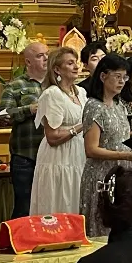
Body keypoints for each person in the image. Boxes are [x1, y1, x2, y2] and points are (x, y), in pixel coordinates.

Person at [80, 54, 132, 236]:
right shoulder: (94, 106)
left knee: (125, 223)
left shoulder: (119, 104)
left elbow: (113, 136)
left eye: (125, 77)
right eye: (117, 77)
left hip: (122, 170)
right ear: (103, 76)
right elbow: (91, 149)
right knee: (103, 226)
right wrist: (127, 155)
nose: (122, 82)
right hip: (102, 174)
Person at [30, 47, 88, 215]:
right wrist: (81, 126)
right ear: (57, 69)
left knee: (76, 200)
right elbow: (52, 137)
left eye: (76, 63)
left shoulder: (81, 92)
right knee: (60, 201)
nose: (76, 67)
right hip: (59, 157)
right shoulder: (53, 94)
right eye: (70, 63)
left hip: (79, 154)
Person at [0, 41, 49, 218]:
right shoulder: (15, 86)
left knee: (49, 206)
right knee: (24, 207)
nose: (46, 58)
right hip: (26, 156)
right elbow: (3, 117)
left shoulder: (56, 85)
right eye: (39, 56)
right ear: (28, 62)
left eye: (47, 54)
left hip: (52, 155)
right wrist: (29, 109)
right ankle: (19, 243)